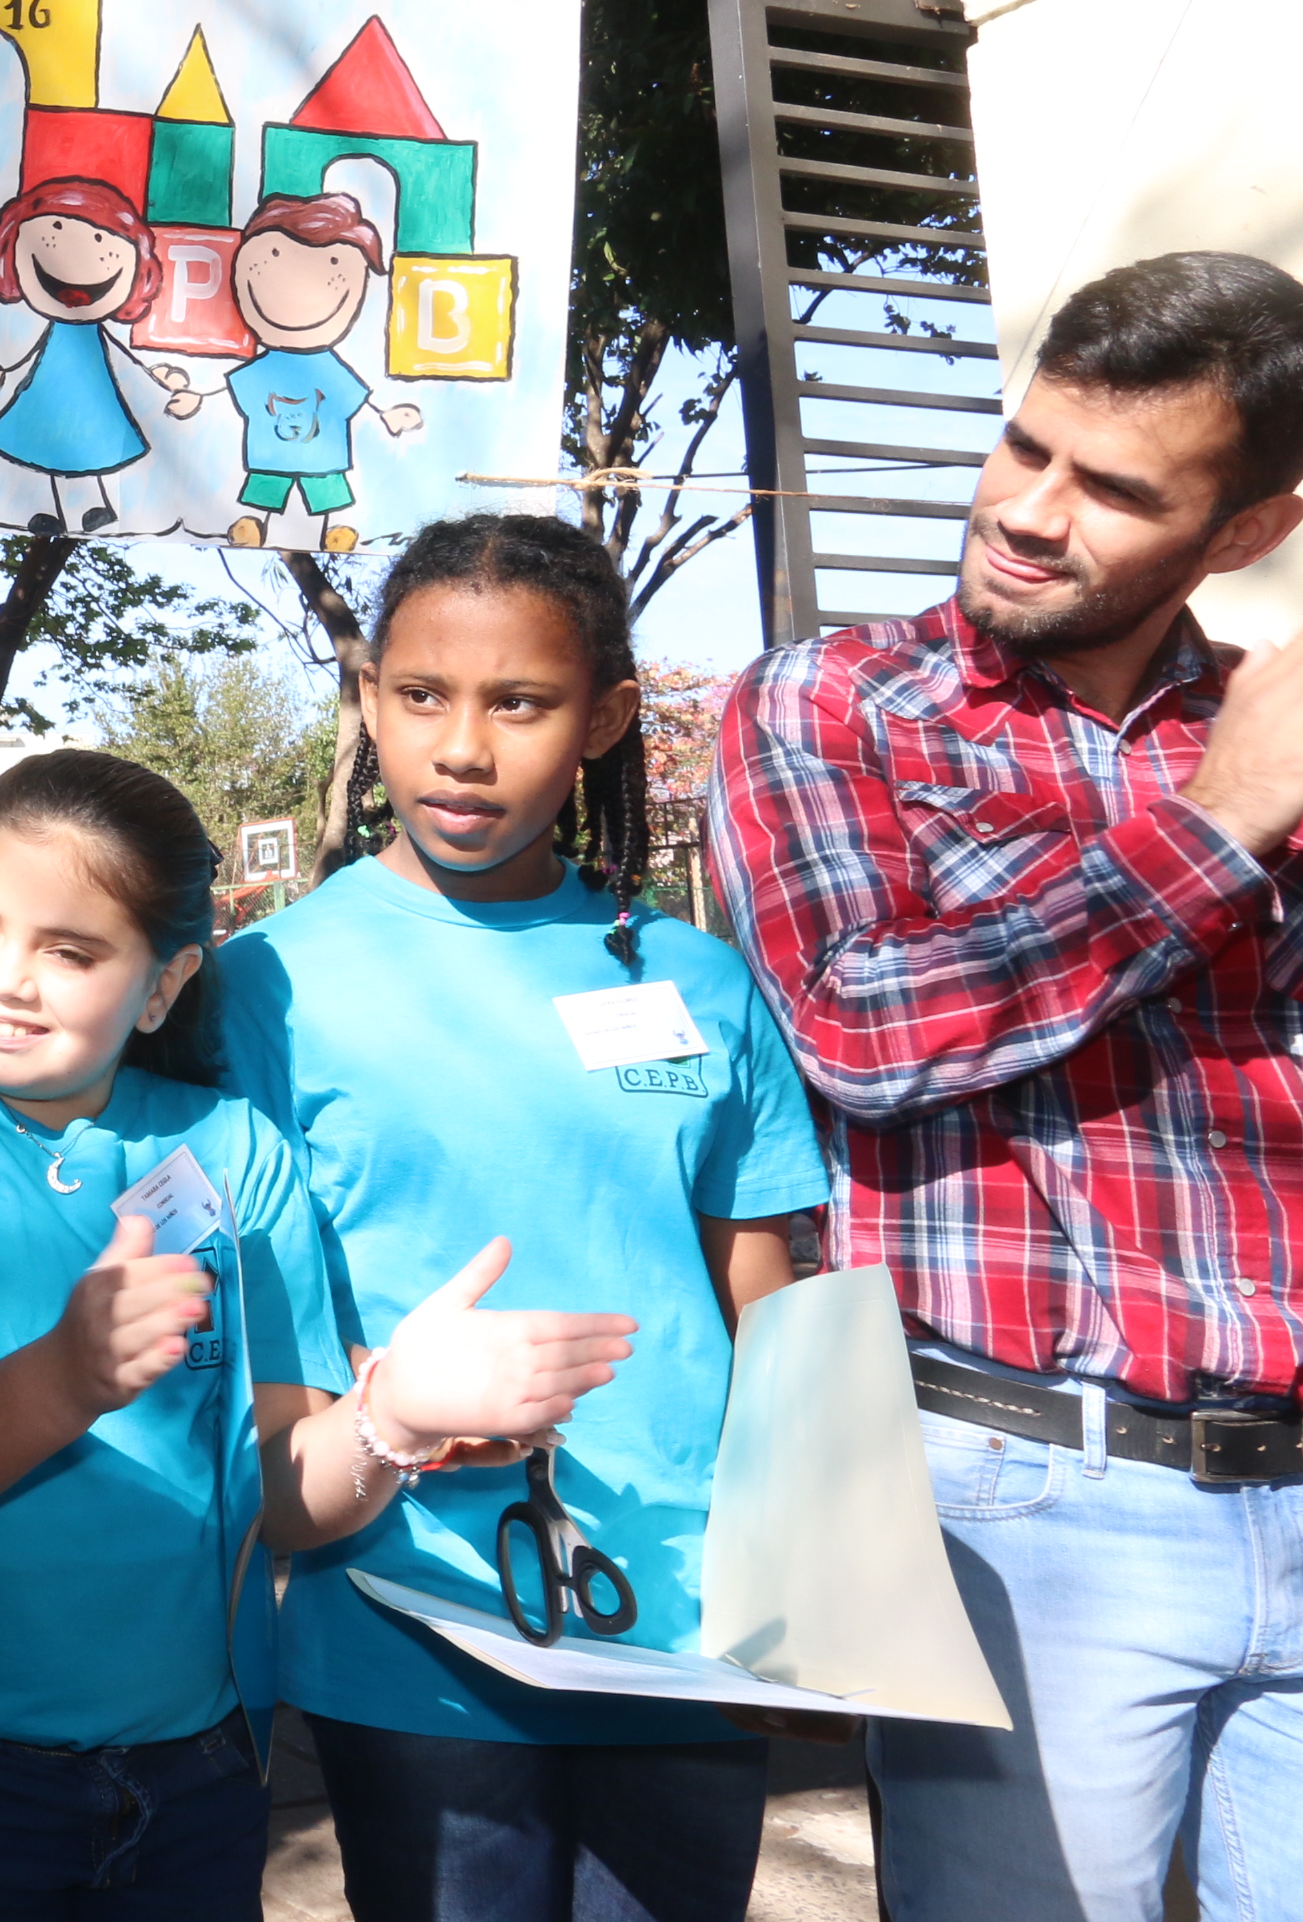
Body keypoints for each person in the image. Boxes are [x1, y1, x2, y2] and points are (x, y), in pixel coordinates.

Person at [708, 253, 1303, 1922]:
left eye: (1114, 490)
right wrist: (1213, 826)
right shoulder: (834, 703)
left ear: (1243, 532)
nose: (1027, 511)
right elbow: (859, 1026)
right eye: (1025, 445)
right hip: (1027, 1496)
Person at [0, 750, 635, 1921]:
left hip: (197, 1769)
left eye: (71, 950)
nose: (6, 978)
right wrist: (65, 1375)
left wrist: (395, 1417)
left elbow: (282, 1497)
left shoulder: (238, 1149)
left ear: (164, 985)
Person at [218, 512, 827, 1922]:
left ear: (605, 718)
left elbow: (769, 1300)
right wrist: (379, 1418)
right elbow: (257, 1332)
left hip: (688, 1610)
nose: (462, 748)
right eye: (421, 694)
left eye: (521, 702)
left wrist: (812, 1570)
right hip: (411, 1613)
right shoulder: (268, 987)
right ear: (368, 698)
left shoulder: (696, 980)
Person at [149, 192, 423, 553]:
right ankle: (255, 523)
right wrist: (196, 398)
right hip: (270, 451)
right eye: (275, 254)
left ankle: (332, 529)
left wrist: (387, 415)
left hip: (322, 455)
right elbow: (228, 389)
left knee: (326, 488)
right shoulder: (269, 365)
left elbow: (357, 399)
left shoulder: (327, 366)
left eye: (333, 262)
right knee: (266, 485)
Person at [0, 175, 163, 536]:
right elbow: (26, 354)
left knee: (90, 441)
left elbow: (123, 354)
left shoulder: (92, 331)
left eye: (101, 238)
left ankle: (96, 505)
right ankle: (51, 509)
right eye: (56, 228)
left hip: (89, 393)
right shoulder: (50, 328)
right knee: (47, 444)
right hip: (50, 389)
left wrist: (156, 375)